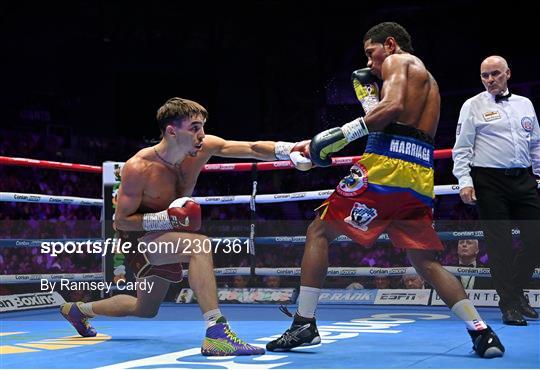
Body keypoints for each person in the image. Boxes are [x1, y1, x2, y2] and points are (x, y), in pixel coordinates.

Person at [267, 22, 504, 358]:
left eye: (371, 53)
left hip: (386, 166)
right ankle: (482, 332)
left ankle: (304, 322)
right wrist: (367, 98)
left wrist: (339, 135)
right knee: (424, 260)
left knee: (318, 231)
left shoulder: (398, 61)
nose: (370, 64)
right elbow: (394, 117)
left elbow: (390, 110)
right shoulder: (428, 80)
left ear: (390, 44)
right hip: (419, 174)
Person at [60, 97, 312, 356]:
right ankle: (216, 332)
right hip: (137, 237)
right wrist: (167, 218)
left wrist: (291, 149)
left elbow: (252, 147)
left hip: (168, 234)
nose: (202, 134)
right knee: (199, 245)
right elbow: (121, 220)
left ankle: (78, 310)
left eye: (202, 126)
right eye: (194, 127)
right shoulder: (139, 167)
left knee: (144, 309)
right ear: (171, 131)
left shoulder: (202, 148)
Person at [452, 55, 540, 325]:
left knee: (536, 240)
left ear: (508, 74)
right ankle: (508, 305)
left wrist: (538, 175)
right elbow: (462, 147)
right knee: (499, 245)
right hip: (489, 181)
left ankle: (514, 292)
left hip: (524, 179)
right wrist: (465, 180)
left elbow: (535, 143)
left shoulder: (525, 103)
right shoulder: (472, 105)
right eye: (485, 75)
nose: (490, 79)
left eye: (495, 74)